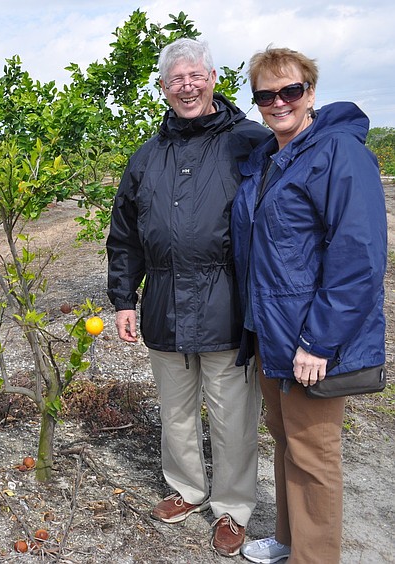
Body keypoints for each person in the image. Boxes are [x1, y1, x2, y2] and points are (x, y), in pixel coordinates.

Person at [106, 38, 269, 557]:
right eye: (175, 79)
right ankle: (188, 490)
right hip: (163, 304)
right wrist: (124, 299)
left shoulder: (250, 141)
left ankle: (233, 507)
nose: (187, 85)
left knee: (232, 414)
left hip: (228, 302)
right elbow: (125, 235)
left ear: (215, 80)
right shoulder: (146, 156)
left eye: (195, 75)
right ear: (162, 89)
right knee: (175, 411)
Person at [232, 47, 387, 564]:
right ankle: (291, 538)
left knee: (315, 455)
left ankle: (314, 557)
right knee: (287, 442)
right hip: (272, 331)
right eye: (265, 94)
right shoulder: (269, 158)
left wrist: (319, 340)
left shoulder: (337, 152)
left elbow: (358, 256)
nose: (278, 102)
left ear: (311, 92)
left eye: (289, 91)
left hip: (310, 337)